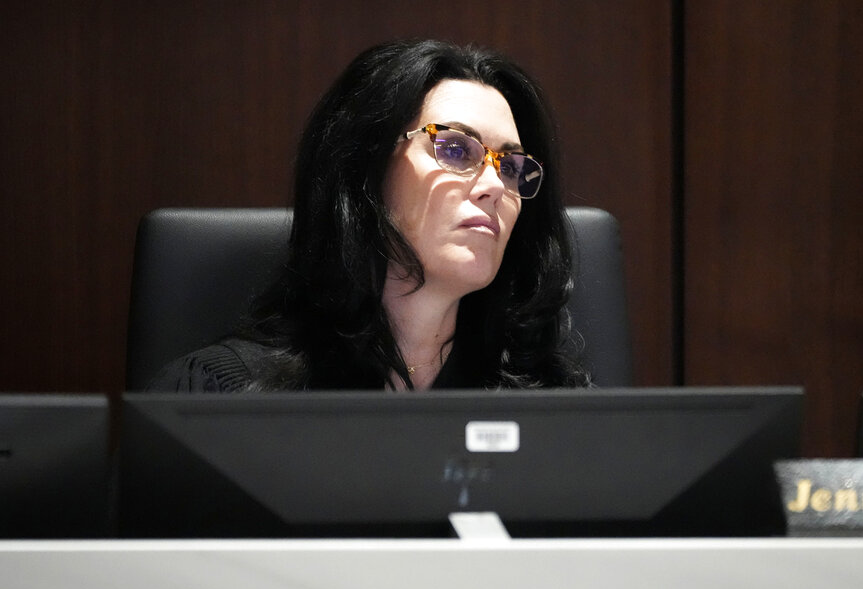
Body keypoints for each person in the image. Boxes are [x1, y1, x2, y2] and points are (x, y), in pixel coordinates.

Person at [149, 39, 591, 392]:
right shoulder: (222, 393)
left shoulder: (553, 408)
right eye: (455, 149)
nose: (496, 186)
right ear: (365, 169)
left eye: (511, 167)